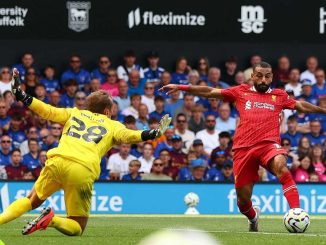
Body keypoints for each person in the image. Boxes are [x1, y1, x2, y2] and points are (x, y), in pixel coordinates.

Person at [0, 68, 170, 236]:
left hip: (57, 160)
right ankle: (52, 220)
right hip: (82, 168)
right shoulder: (112, 125)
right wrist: (153, 133)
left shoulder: (74, 114)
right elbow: (130, 136)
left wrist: (21, 94)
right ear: (107, 111)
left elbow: (47, 110)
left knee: (31, 200)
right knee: (77, 227)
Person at [160, 61, 326, 232]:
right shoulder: (240, 91)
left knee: (281, 165)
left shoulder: (280, 96)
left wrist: (323, 111)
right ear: (252, 76)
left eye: (267, 76)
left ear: (271, 78)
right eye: (259, 75)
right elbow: (209, 91)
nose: (263, 79)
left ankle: (296, 211)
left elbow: (300, 105)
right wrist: (181, 87)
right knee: (243, 201)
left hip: (268, 145)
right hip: (243, 149)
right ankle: (253, 218)